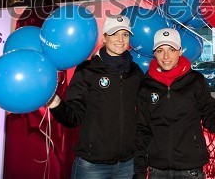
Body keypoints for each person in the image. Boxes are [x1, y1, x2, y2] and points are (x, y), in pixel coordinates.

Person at [133, 27, 215, 178]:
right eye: (160, 50)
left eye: (171, 49)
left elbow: (214, 120)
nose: (165, 56)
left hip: (190, 171)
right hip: (157, 172)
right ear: (154, 54)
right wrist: (139, 173)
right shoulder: (146, 85)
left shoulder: (195, 81)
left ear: (180, 51)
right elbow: (142, 131)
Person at [48, 14, 144, 179]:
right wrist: (55, 103)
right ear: (105, 37)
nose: (120, 39)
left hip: (127, 165)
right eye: (115, 33)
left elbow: (143, 115)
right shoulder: (87, 70)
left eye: (125, 34)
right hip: (92, 166)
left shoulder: (135, 72)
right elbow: (73, 117)